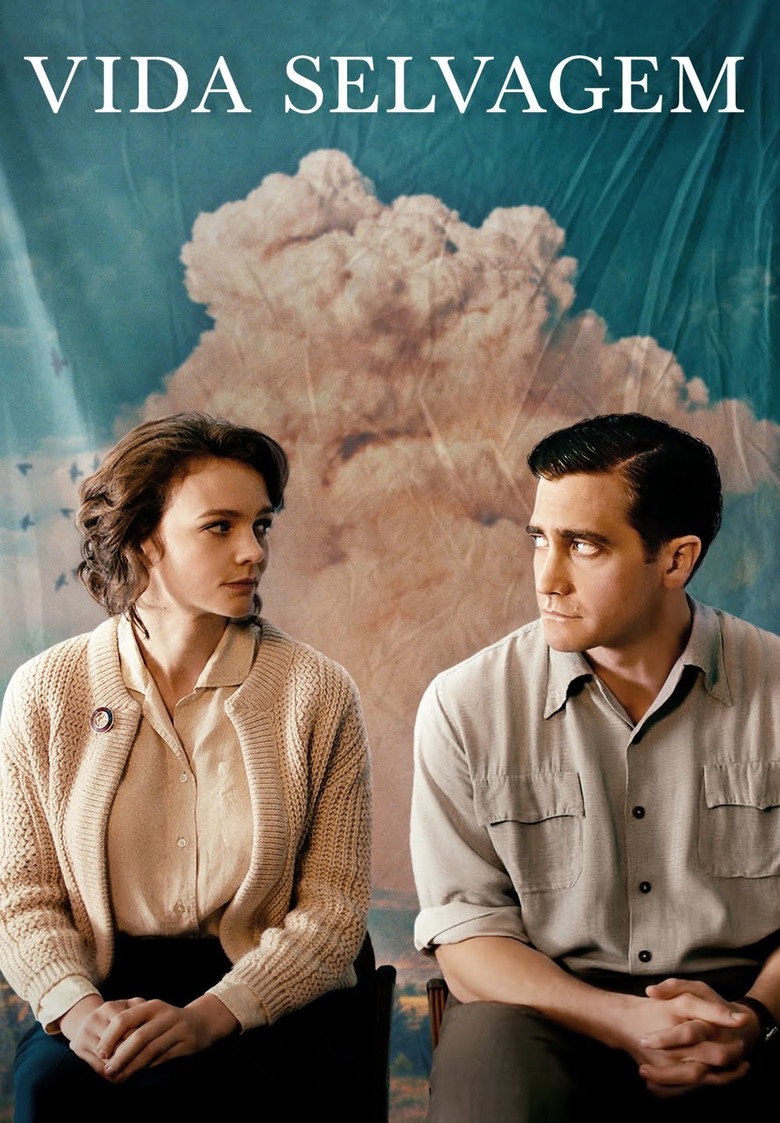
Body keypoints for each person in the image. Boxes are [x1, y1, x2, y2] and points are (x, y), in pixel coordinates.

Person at [0, 412, 372, 1122]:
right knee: (53, 1089)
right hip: (99, 985)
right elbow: (20, 898)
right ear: (145, 537)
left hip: (271, 990)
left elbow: (333, 912)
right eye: (219, 527)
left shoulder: (317, 691)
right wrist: (80, 1013)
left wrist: (210, 1016)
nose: (253, 551)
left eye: (260, 526)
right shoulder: (45, 691)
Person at [410, 412, 780, 1122]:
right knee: (486, 1057)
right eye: (539, 539)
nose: (547, 578)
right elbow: (467, 933)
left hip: (744, 1008)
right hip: (545, 1013)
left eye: (583, 545)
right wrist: (623, 1019)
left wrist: (755, 1016)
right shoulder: (465, 704)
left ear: (676, 560)